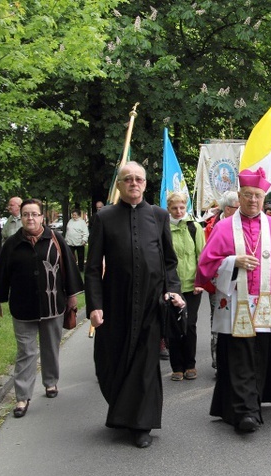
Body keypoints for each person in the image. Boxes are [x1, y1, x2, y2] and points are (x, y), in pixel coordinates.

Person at [85, 161, 184, 448]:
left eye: (138, 179)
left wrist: (173, 290)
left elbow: (169, 262)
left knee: (145, 364)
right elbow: (92, 267)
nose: (134, 183)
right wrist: (95, 305)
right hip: (115, 304)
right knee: (111, 362)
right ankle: (122, 412)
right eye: (127, 179)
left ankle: (141, 425)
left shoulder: (159, 215)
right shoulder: (104, 218)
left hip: (152, 305)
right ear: (119, 185)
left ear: (145, 183)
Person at [195, 168, 271, 433]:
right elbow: (206, 264)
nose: (253, 200)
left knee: (261, 354)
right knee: (239, 356)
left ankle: (253, 403)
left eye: (258, 196)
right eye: (248, 195)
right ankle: (245, 412)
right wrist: (232, 261)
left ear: (264, 198)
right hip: (236, 303)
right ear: (239, 196)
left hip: (265, 303)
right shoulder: (224, 227)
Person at [0, 199, 83, 418]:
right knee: (26, 351)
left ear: (42, 217)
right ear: (20, 217)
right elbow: (2, 273)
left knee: (51, 346)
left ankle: (50, 382)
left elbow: (68, 268)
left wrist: (72, 296)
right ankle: (22, 397)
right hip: (23, 308)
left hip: (52, 305)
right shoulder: (12, 244)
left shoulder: (55, 239)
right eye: (25, 215)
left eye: (34, 214)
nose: (30, 218)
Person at [166, 191, 205, 382]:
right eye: (174, 208)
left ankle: (190, 364)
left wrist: (200, 281)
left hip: (191, 286)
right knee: (173, 327)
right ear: (169, 209)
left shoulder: (194, 227)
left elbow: (202, 256)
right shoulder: (163, 229)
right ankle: (177, 367)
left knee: (189, 325)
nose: (178, 211)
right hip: (172, 287)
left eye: (181, 207)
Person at [202, 190, 240, 370]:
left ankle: (235, 360)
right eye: (237, 207)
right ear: (228, 208)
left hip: (240, 281)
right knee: (218, 321)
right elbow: (208, 256)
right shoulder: (211, 227)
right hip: (218, 282)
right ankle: (218, 361)